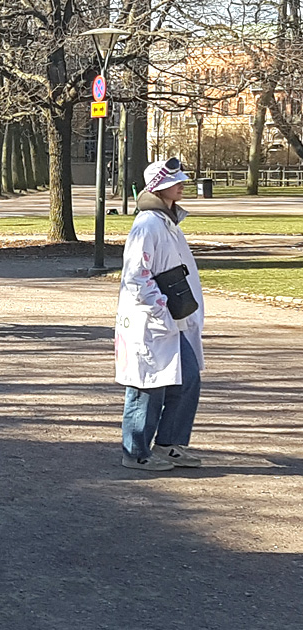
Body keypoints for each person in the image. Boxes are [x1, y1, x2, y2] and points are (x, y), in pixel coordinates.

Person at [115, 158, 205, 471]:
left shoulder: (168, 223)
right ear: (159, 187)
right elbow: (136, 275)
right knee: (147, 385)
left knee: (188, 377)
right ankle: (135, 451)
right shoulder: (148, 225)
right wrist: (159, 309)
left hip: (174, 320)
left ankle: (169, 443)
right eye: (175, 181)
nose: (182, 184)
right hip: (151, 321)